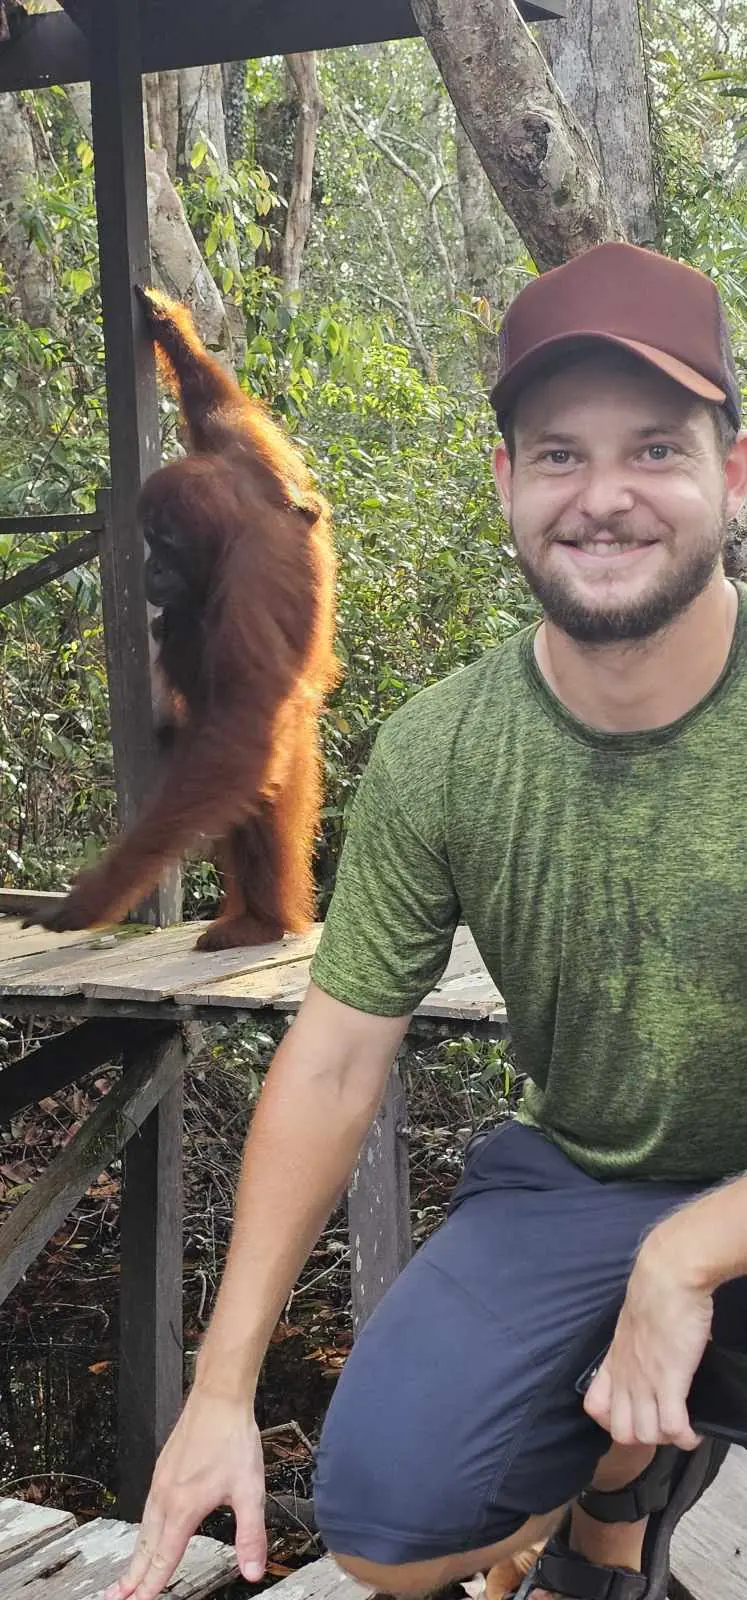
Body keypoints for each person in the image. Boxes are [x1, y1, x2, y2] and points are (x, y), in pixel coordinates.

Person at [108, 241, 747, 1600]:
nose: (604, 497)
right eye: (558, 455)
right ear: (507, 482)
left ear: (729, 476)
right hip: (587, 1173)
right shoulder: (443, 750)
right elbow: (336, 1061)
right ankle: (614, 1497)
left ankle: (657, 1414)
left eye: (652, 449)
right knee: (390, 1532)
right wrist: (219, 1390)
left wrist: (687, 1256)